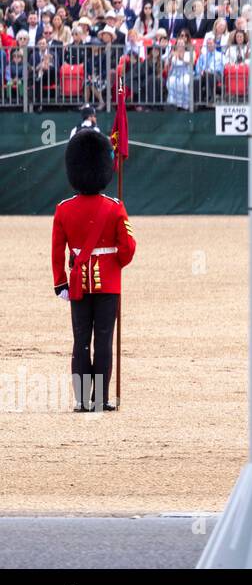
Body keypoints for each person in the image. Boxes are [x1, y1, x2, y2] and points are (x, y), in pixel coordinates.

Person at [51, 130, 136, 412]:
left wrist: (60, 283)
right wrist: (116, 264)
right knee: (103, 341)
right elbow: (128, 248)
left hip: (77, 284)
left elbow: (57, 251)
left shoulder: (63, 209)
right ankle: (99, 399)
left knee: (80, 342)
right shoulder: (114, 208)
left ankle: (80, 400)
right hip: (108, 283)